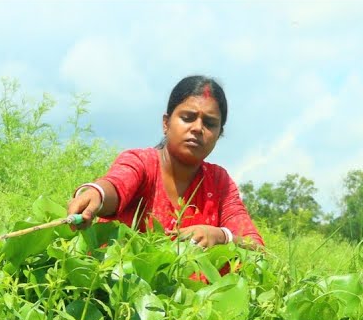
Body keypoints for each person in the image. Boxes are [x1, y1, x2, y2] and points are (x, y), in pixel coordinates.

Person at [66, 75, 264, 257]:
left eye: (210, 123)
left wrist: (221, 236)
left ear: (219, 134)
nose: (197, 128)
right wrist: (96, 194)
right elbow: (116, 184)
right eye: (187, 118)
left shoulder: (219, 182)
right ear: (166, 123)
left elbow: (257, 248)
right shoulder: (142, 163)